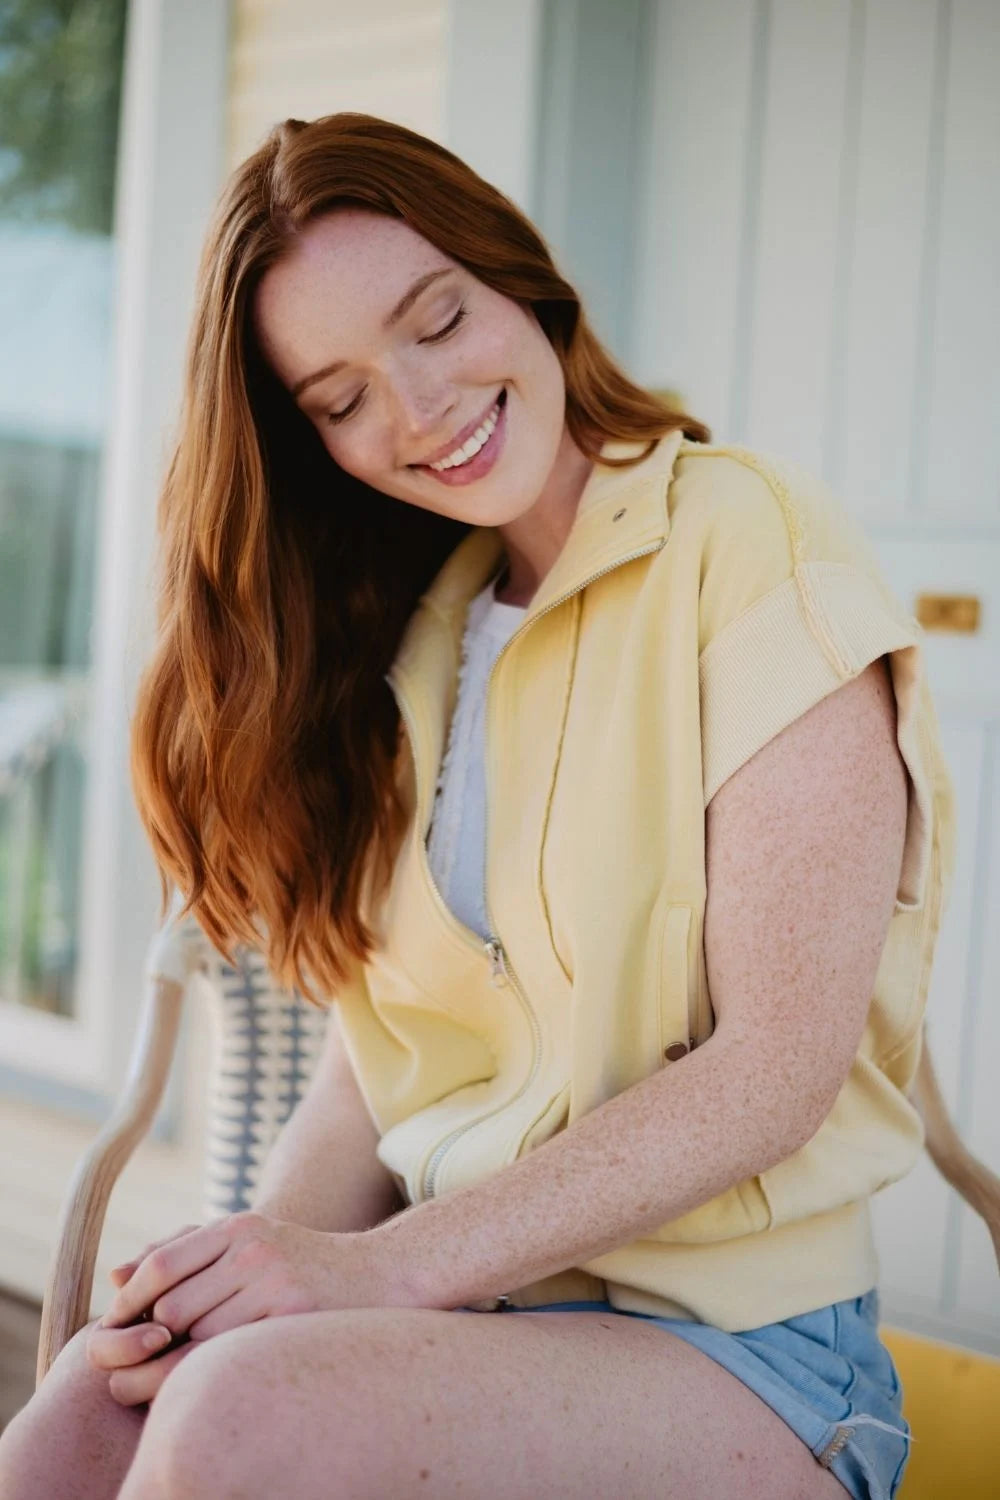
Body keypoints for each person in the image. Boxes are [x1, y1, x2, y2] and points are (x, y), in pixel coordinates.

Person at [1, 111, 997, 1500]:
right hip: (478, 1314)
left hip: (747, 1354)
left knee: (239, 1420)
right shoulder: (423, 630)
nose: (418, 410)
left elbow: (775, 1072)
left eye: (438, 319)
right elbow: (376, 1069)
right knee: (67, 1433)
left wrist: (373, 1273)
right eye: (341, 401)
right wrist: (243, 1280)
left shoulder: (751, 542)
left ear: (516, 276)